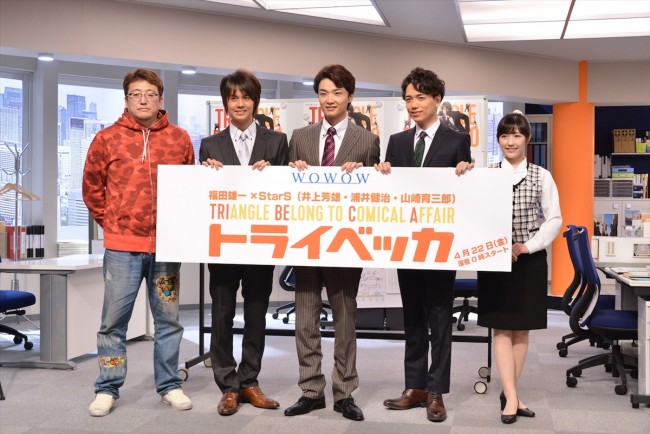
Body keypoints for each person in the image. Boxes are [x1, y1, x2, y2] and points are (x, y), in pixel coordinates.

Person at [82, 68, 195, 417]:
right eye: (136, 94)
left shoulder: (180, 139)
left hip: (166, 248)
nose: (143, 100)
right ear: (126, 98)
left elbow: (190, 189)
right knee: (113, 323)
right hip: (122, 249)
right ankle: (107, 387)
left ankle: (170, 384)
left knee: (169, 321)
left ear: (160, 99)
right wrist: (113, 222)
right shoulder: (107, 138)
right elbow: (91, 187)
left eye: (150, 94)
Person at [284, 64, 380, 422]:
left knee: (345, 320)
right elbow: (284, 190)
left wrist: (368, 174)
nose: (329, 99)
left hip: (345, 244)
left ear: (350, 96)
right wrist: (291, 170)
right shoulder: (300, 136)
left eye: (337, 92)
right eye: (323, 93)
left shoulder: (367, 140)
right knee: (305, 321)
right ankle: (311, 390)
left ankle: (344, 392)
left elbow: (376, 195)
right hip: (307, 242)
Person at [375, 67, 471, 423]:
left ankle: (436, 391)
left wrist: (467, 172)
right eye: (408, 99)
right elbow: (392, 193)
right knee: (413, 318)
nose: (413, 104)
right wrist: (382, 173)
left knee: (440, 318)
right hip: (407, 242)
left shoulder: (456, 140)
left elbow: (465, 192)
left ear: (437, 100)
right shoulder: (398, 142)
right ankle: (414, 387)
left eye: (420, 97)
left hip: (441, 245)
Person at [199, 69, 288, 416]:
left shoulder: (276, 142)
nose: (239, 103)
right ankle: (228, 386)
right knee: (221, 315)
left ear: (255, 102)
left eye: (245, 97)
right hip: (223, 244)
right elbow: (204, 194)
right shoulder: (210, 144)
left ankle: (250, 381)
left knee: (256, 315)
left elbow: (288, 192)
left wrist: (275, 175)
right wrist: (207, 172)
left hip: (261, 243)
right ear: (225, 104)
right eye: (233, 97)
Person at [475, 111, 562, 424]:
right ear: (498, 139)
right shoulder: (486, 175)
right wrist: (497, 244)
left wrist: (528, 245)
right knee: (501, 327)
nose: (510, 141)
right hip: (495, 260)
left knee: (522, 328)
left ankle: (510, 393)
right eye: (504, 135)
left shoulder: (541, 176)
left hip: (529, 260)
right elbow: (476, 214)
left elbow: (554, 219)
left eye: (516, 135)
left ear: (526, 139)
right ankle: (512, 396)